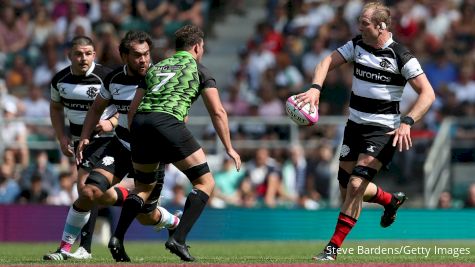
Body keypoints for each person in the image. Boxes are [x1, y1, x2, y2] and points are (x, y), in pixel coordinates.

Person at [294, 2, 435, 261]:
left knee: (356, 185)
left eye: (364, 23)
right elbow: (326, 61)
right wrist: (315, 87)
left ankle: (332, 248)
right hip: (354, 127)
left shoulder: (401, 56)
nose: (359, 26)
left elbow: (428, 93)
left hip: (382, 131)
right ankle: (390, 200)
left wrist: (408, 121)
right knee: (346, 188)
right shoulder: (357, 44)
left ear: (381, 27)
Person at [111, 24, 241, 262]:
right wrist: (229, 148)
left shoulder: (156, 68)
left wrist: (139, 136)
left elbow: (132, 109)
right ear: (197, 47)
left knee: (142, 188)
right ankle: (178, 238)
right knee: (205, 182)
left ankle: (117, 237)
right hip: (167, 122)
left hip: (140, 125)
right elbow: (218, 112)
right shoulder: (199, 69)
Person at [76, 30, 181, 262]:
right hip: (121, 146)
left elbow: (180, 115)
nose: (143, 59)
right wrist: (84, 136)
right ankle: (131, 200)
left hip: (151, 154)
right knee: (92, 190)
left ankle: (173, 221)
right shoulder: (114, 79)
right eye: (136, 55)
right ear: (124, 56)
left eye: (146, 54)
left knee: (146, 216)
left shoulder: (161, 77)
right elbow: (96, 108)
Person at [43, 36, 118, 260]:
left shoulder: (106, 77)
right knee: (93, 193)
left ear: (94, 55)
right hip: (80, 143)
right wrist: (61, 136)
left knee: (85, 187)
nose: (83, 58)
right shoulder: (59, 80)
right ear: (69, 55)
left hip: (107, 140)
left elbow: (123, 107)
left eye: (87, 53)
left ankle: (76, 248)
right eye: (78, 54)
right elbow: (55, 108)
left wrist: (110, 123)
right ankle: (155, 212)